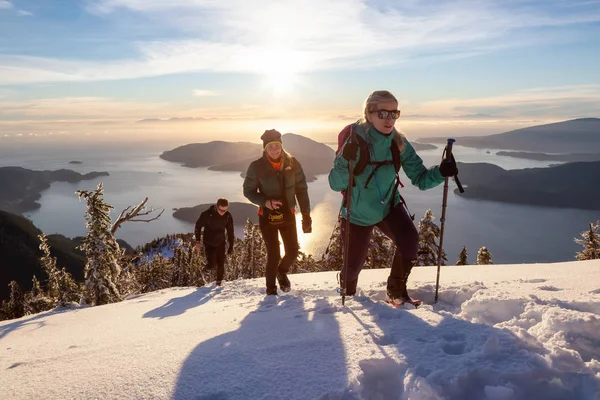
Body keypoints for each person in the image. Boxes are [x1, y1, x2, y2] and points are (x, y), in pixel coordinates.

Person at [328, 90, 458, 304]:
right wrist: (344, 159)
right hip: (357, 214)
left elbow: (421, 179)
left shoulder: (399, 143)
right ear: (369, 114)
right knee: (352, 269)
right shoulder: (355, 141)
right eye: (383, 113)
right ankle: (347, 291)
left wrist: (441, 171)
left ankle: (396, 291)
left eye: (394, 113)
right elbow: (336, 184)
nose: (389, 119)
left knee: (409, 241)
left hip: (388, 207)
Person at [243, 129, 312, 296]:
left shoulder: (293, 163)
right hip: (267, 216)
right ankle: (271, 292)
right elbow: (248, 191)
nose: (274, 149)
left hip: (288, 214)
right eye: (270, 147)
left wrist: (306, 215)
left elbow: (301, 190)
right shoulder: (256, 167)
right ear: (264, 149)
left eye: (277, 145)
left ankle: (282, 272)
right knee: (273, 254)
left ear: (281, 146)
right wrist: (265, 202)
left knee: (293, 250)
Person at [194, 198, 234, 286]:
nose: (222, 212)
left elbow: (230, 231)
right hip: (209, 242)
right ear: (216, 206)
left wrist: (231, 245)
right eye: (221, 210)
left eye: (225, 210)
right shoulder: (207, 214)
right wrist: (198, 241)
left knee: (221, 263)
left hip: (220, 241)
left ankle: (219, 283)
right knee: (212, 264)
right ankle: (202, 271)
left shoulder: (227, 216)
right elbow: (198, 226)